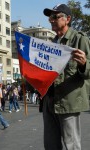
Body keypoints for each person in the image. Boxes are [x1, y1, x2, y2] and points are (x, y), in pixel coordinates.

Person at [42, 4, 90, 150]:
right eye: (50, 17)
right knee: (51, 145)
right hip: (49, 101)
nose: (51, 20)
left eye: (55, 17)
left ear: (67, 19)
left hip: (68, 102)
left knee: (72, 146)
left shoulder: (79, 39)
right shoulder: (51, 44)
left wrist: (84, 64)